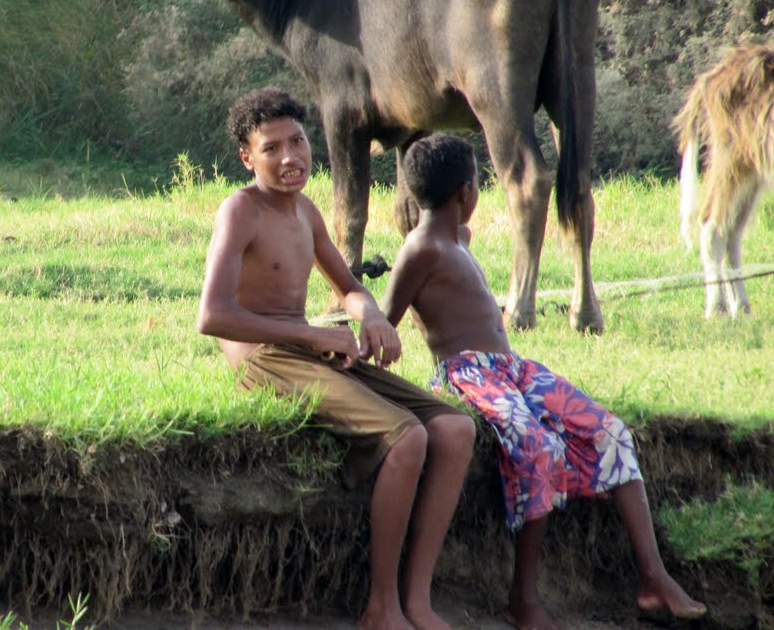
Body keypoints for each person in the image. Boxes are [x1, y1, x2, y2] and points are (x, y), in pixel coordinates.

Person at [379, 133, 707, 630]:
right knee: (538, 449)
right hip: (467, 376)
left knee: (610, 431)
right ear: (466, 192)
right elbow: (389, 319)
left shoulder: (458, 241)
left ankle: (654, 576)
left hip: (511, 369)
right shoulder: (420, 248)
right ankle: (523, 596)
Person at [197, 87, 476, 630]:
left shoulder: (305, 211)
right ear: (247, 158)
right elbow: (212, 316)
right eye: (272, 148)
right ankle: (381, 607)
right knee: (406, 435)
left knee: (454, 427)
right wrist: (309, 335)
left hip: (305, 346)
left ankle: (417, 598)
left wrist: (369, 314)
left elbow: (347, 285)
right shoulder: (240, 211)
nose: (289, 158)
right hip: (266, 358)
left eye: (297, 142)